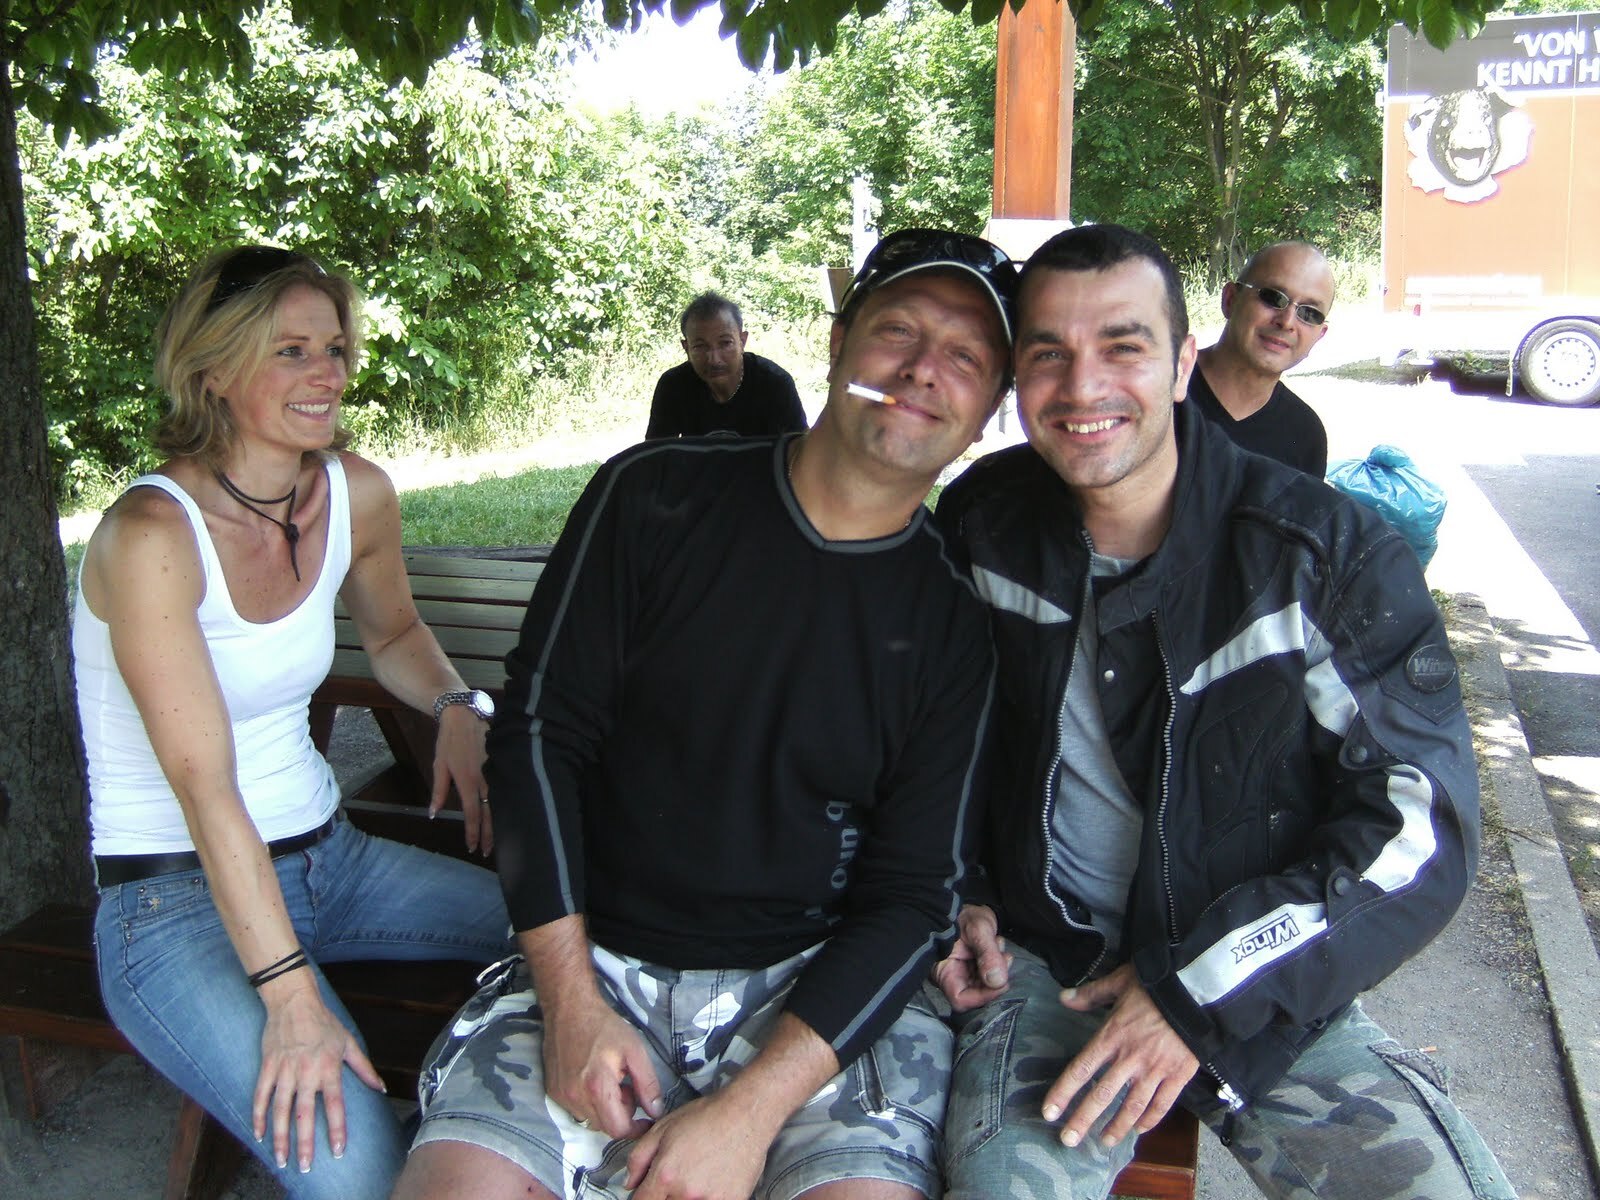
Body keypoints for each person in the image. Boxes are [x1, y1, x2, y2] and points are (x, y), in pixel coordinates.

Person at [392, 228, 1017, 1200]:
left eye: (967, 358)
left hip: (812, 998)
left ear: (984, 414)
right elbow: (538, 737)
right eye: (898, 330)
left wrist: (750, 1111)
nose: (923, 370)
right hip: (594, 956)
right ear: (838, 343)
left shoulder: (954, 626)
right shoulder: (652, 495)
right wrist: (570, 1004)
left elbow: (911, 896)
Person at [932, 224, 1515, 1199]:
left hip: (1261, 969)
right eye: (1048, 353)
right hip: (1051, 962)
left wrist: (1195, 991)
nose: (1082, 386)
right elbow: (926, 739)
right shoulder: (984, 523)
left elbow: (1421, 830)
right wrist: (959, 886)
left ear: (1180, 366)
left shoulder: (1320, 552)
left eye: (1122, 346)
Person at [75, 246, 511, 1200]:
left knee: (559, 930)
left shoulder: (354, 491)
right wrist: (290, 996)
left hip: (332, 862)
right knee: (361, 1173)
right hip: (174, 907)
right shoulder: (152, 535)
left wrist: (455, 707)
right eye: (290, 351)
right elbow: (206, 791)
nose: (327, 374)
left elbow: (394, 632)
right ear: (212, 371)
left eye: (335, 348)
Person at [1188, 241, 1333, 477]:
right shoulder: (1160, 388)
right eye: (1273, 297)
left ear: (1319, 335)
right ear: (1230, 299)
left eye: (1309, 313)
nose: (1286, 322)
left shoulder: (1305, 436)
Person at [645, 290, 807, 438]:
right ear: (686, 348)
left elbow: (802, 450)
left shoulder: (774, 383)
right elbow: (655, 455)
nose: (714, 359)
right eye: (700, 346)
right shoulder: (673, 386)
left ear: (742, 341)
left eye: (725, 343)